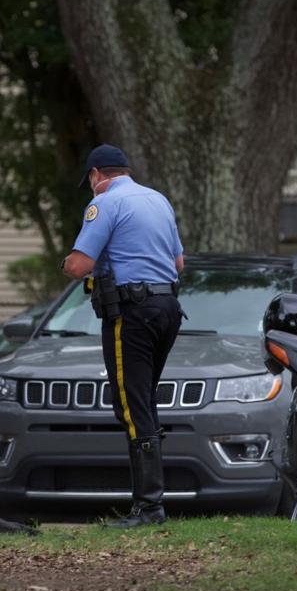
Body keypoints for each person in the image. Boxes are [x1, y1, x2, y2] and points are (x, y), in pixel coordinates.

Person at [61, 144, 184, 528]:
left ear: (97, 175)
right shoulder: (157, 199)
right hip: (168, 308)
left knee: (131, 406)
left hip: (132, 314)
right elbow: (180, 262)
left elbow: (79, 265)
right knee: (144, 400)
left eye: (91, 182)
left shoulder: (104, 204)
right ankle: (151, 504)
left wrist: (66, 263)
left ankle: (149, 509)